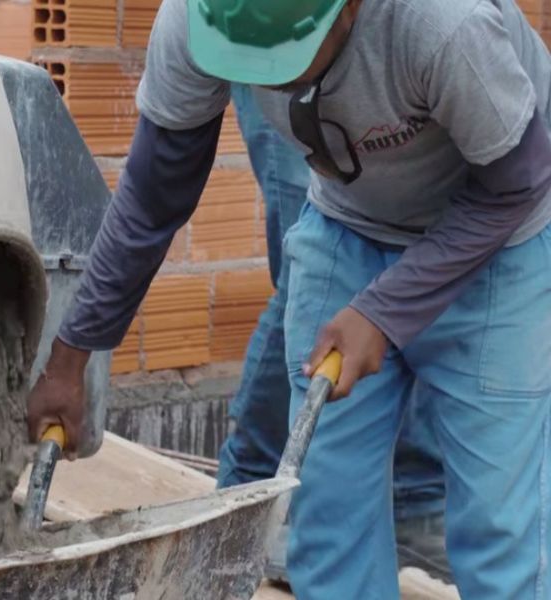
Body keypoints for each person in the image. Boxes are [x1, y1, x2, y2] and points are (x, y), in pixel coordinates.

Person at [28, 0, 551, 597]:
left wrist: (383, 311)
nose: (265, 78)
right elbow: (153, 196)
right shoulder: (200, 15)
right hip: (351, 225)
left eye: (284, 55)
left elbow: (518, 184)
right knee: (328, 515)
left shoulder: (443, 22)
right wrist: (71, 356)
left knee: (499, 532)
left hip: (501, 237)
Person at [221, 83, 448, 583]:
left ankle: (414, 498)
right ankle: (253, 489)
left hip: (390, 62)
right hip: (278, 60)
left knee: (417, 253)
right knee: (315, 285)